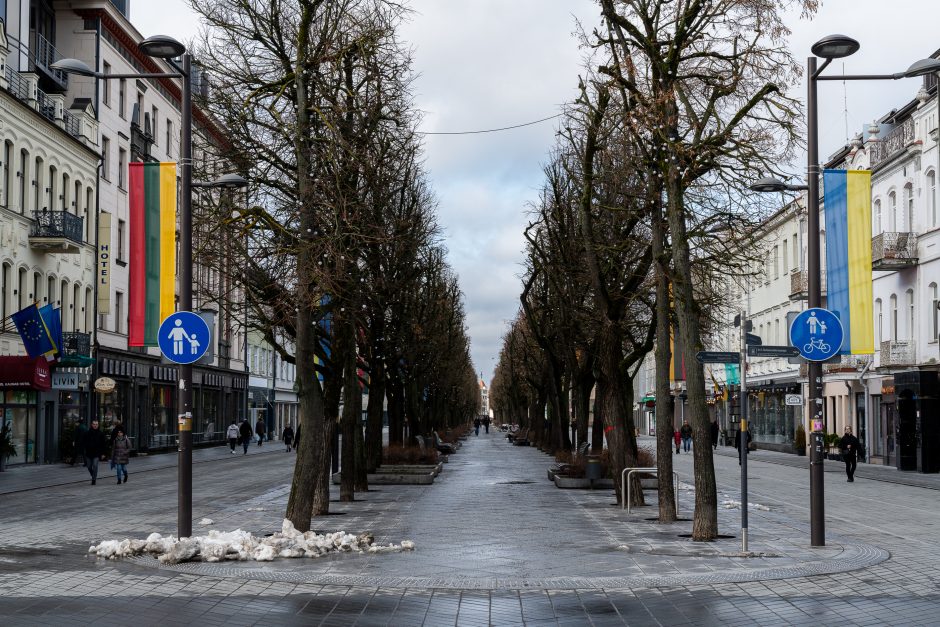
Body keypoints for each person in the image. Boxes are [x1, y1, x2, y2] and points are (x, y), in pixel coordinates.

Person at [81, 420, 107, 485]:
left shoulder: (101, 433)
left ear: (98, 425)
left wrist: (103, 453)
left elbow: (104, 444)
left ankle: (94, 479)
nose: (95, 425)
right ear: (91, 425)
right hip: (88, 453)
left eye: (96, 424)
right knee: (89, 466)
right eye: (94, 424)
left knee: (95, 465)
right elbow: (83, 442)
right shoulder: (87, 433)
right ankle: (93, 475)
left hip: (97, 453)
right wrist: (84, 448)